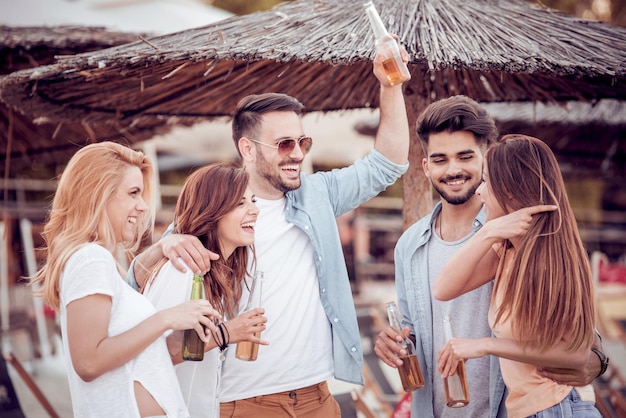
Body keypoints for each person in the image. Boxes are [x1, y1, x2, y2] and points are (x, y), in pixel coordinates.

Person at [129, 46, 411, 418]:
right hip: (243, 402)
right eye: (284, 144)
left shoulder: (317, 195)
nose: (297, 153)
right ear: (247, 148)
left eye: (302, 142)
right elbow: (136, 287)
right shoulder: (212, 216)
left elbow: (387, 164)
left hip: (318, 395)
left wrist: (389, 85)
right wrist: (164, 248)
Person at [374, 96, 604, 418]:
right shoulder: (409, 246)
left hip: (511, 409)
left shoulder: (521, 232)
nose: (453, 169)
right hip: (438, 409)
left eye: (465, 156)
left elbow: (573, 328)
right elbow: (412, 326)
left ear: (487, 158)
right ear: (426, 167)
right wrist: (391, 343)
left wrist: (596, 358)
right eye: (440, 159)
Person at [32, 142, 220, 418]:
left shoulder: (100, 262)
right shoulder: (90, 259)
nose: (143, 207)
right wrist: (167, 318)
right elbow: (88, 362)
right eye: (133, 193)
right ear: (99, 195)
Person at [433, 134, 602, 418]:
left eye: (487, 182)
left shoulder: (551, 258)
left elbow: (575, 354)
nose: (479, 192)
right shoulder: (507, 250)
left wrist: (485, 345)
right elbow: (442, 288)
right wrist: (488, 232)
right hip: (530, 411)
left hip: (556, 407)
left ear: (509, 191)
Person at [142, 163, 267, 418]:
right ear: (213, 211)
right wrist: (226, 334)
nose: (255, 210)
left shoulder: (217, 274)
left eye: (252, 201)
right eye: (241, 203)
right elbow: (149, 355)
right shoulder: (182, 270)